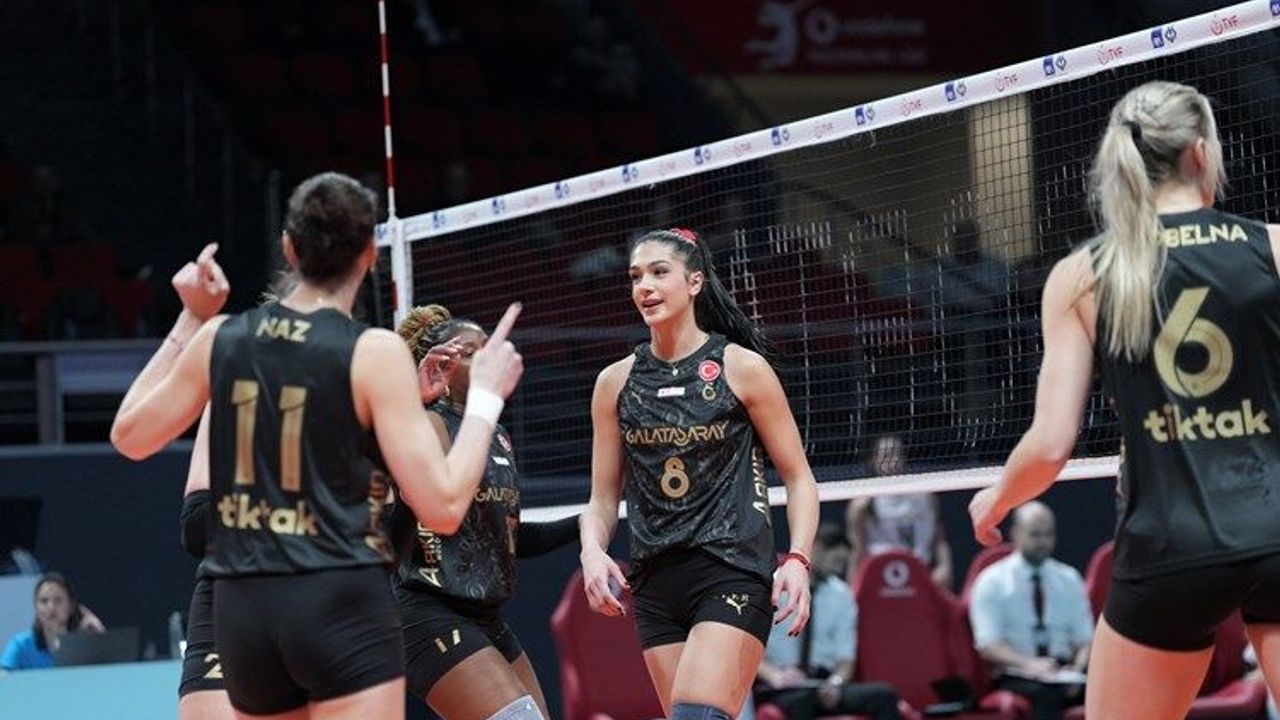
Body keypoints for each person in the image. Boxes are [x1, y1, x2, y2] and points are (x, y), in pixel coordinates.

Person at [110, 172, 525, 720]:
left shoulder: (221, 338)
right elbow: (444, 508)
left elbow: (129, 436)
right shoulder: (374, 353)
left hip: (245, 610)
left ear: (288, 248)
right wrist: (485, 401)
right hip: (337, 602)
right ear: (370, 254)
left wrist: (192, 317)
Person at [968, 81, 1280, 720]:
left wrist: (997, 498)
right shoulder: (1273, 247)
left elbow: (1050, 448)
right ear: (1200, 153)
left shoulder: (1083, 274)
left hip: (1169, 544)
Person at [579, 227, 820, 720]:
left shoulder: (741, 368)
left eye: (658, 272)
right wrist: (592, 551)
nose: (644, 286)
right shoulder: (614, 382)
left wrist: (798, 558)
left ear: (694, 282)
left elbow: (798, 478)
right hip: (654, 583)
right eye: (636, 276)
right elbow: (602, 499)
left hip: (731, 570)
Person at [390, 304, 579, 720]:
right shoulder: (429, 424)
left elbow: (505, 536)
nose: (487, 357)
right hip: (428, 609)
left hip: (485, 614)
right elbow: (432, 510)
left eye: (487, 348)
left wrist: (588, 524)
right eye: (472, 352)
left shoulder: (496, 434)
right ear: (442, 365)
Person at [755, 524, 903, 720]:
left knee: (884, 695)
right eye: (835, 561)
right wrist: (775, 676)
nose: (838, 569)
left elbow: (845, 658)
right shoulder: (771, 585)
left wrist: (836, 683)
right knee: (802, 700)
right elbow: (746, 646)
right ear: (814, 548)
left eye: (842, 563)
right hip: (780, 683)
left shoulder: (841, 595)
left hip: (821, 684)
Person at [968, 502, 1091, 720]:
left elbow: (1086, 640)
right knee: (1046, 694)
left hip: (1064, 671)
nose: (1043, 542)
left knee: (1106, 686)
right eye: (1035, 535)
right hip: (1017, 672)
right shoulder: (992, 581)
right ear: (1015, 534)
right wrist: (1029, 664)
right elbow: (988, 645)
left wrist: (1078, 670)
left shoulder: (1069, 579)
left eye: (1048, 534)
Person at [846, 435, 953, 587]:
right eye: (885, 455)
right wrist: (853, 588)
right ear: (874, 460)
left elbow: (939, 538)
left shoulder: (924, 495)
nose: (891, 460)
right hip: (881, 575)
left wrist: (944, 566)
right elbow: (858, 550)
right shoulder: (863, 504)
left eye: (895, 453)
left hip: (920, 571)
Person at [1, 572, 105, 670]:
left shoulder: (85, 646)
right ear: (36, 607)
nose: (51, 607)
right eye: (44, 601)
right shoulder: (21, 645)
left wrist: (100, 638)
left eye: (58, 600)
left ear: (71, 606)